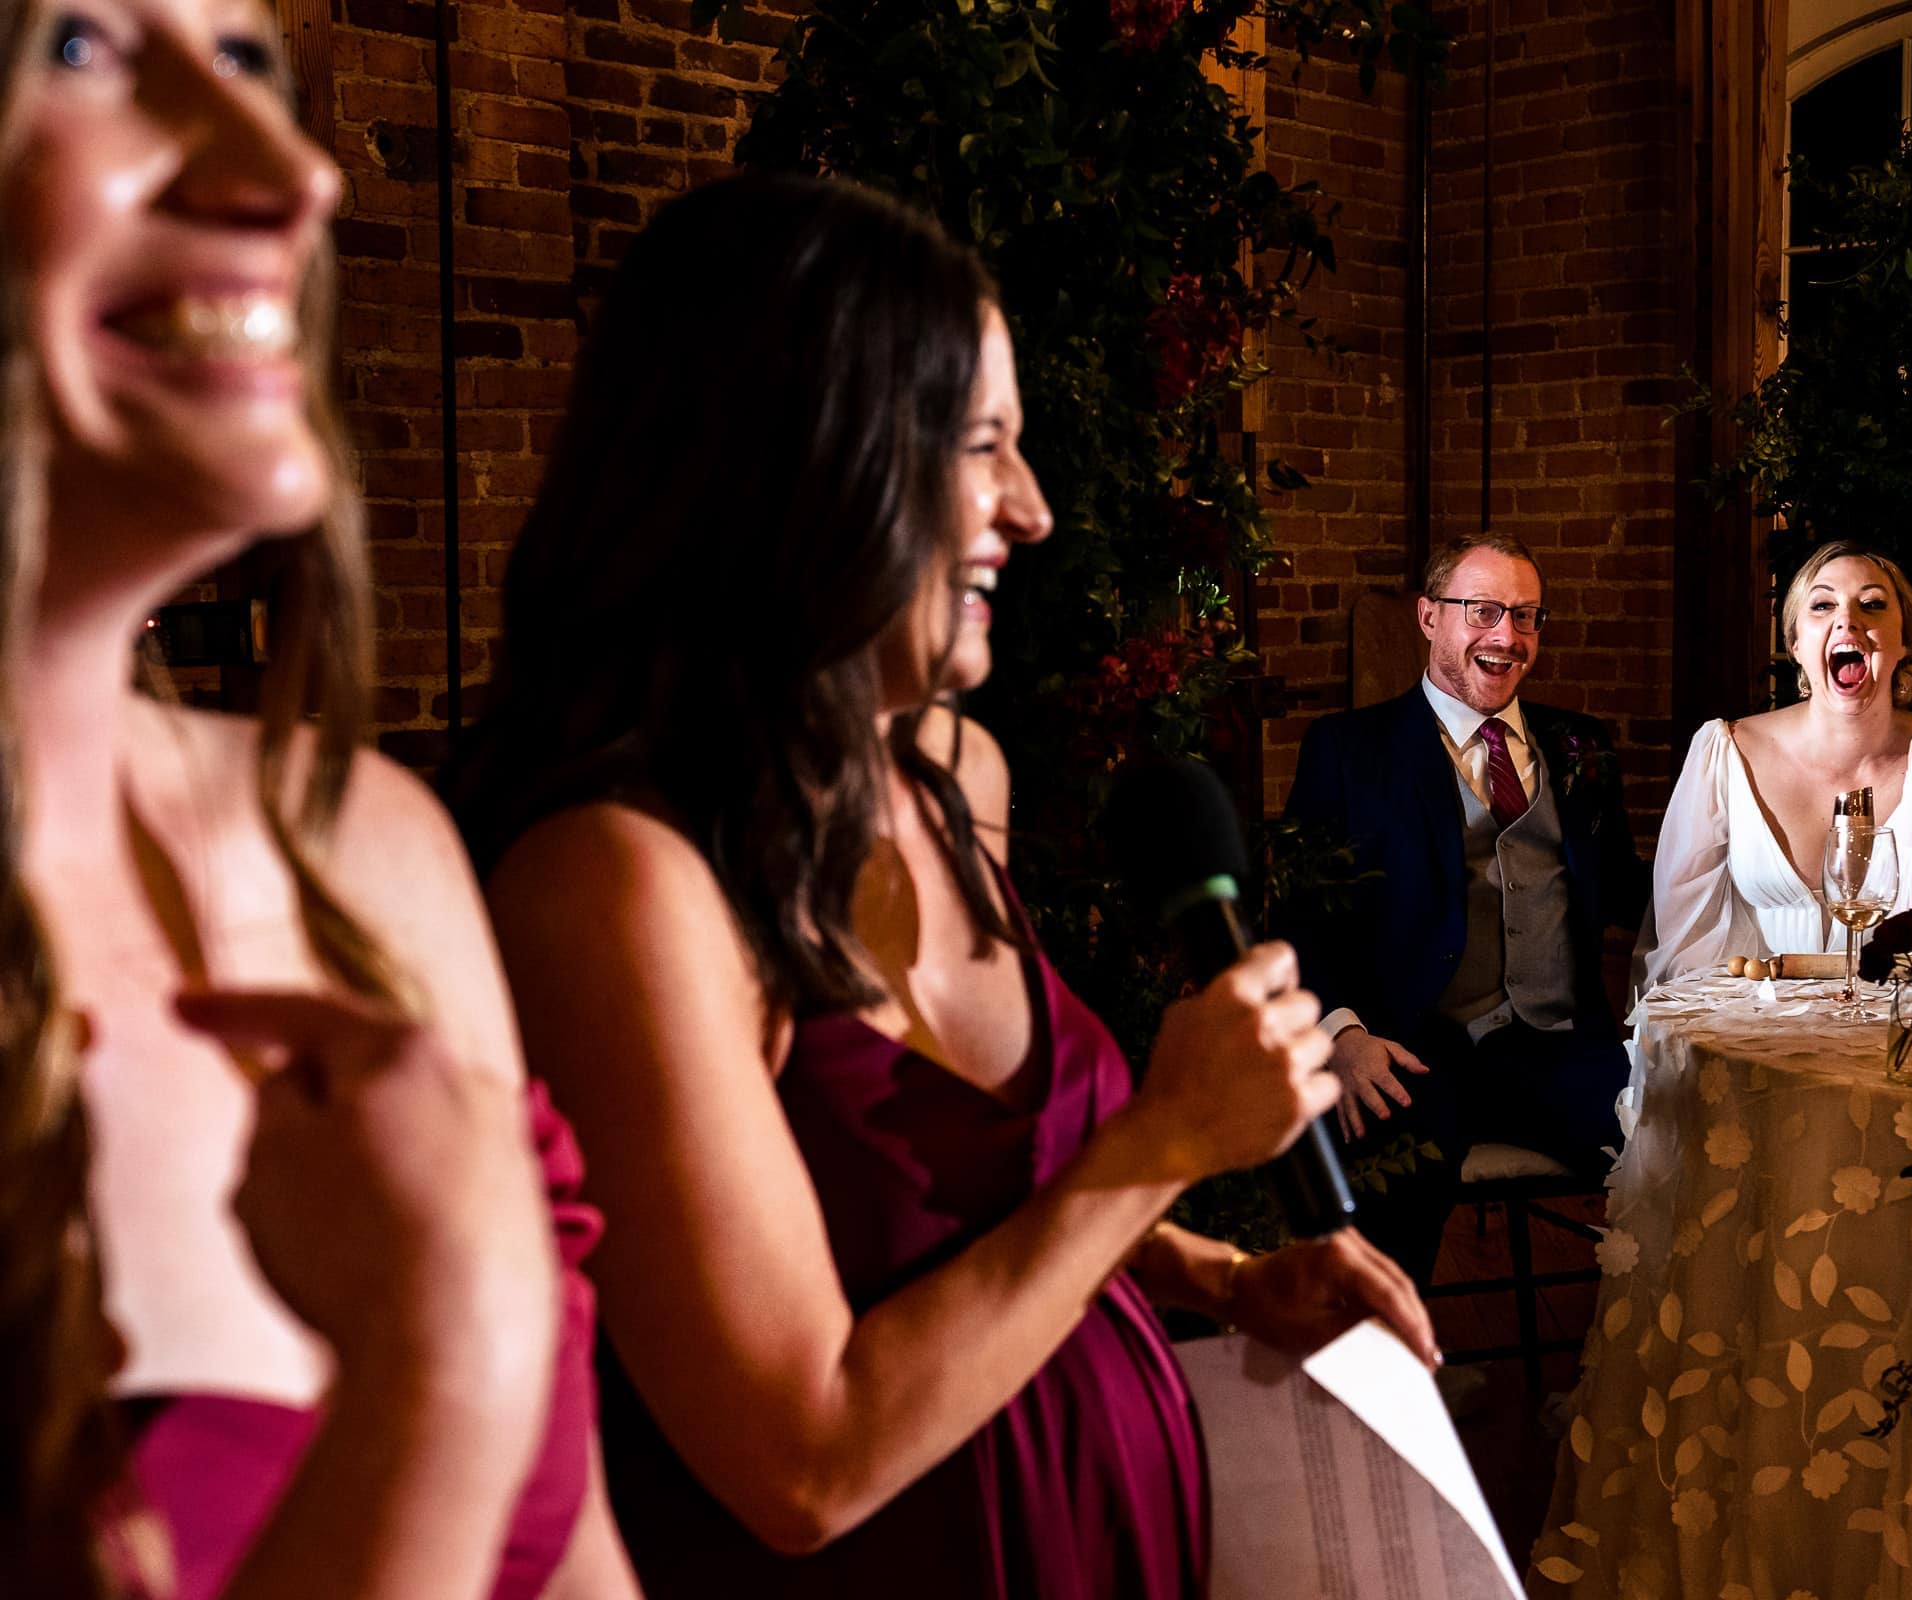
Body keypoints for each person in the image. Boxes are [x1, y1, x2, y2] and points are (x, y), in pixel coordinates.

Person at [447, 172, 1437, 1598]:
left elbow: (970, 1215)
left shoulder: (956, 776)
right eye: (981, 448)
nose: (1031, 511)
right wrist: (1163, 1139)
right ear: (803, 457)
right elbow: (802, 1461)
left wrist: (1217, 1276)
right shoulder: (619, 882)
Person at [0, 0, 639, 1592]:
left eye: (246, 59)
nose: (293, 173)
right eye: (77, 47)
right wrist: (444, 1369)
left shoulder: (371, 853)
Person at [1278, 533, 1648, 1286]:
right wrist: (1343, 1037)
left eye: (1526, 615)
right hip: (1408, 1052)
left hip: (1562, 1050)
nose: (1506, 636)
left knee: (1681, 1156)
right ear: (1428, 617)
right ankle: (1388, 1356)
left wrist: (1754, 884)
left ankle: (1642, 1353)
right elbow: (1297, 921)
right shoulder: (1348, 750)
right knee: (1386, 1211)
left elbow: (1627, 893)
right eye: (1483, 611)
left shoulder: (1581, 745)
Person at [1634, 540, 1912, 992]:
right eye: (1823, 605)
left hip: (1899, 1019)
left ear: (1905, 640)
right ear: (1794, 643)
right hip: (1750, 1016)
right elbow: (1687, 942)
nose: (1847, 620)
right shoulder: (1724, 751)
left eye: (1872, 604)